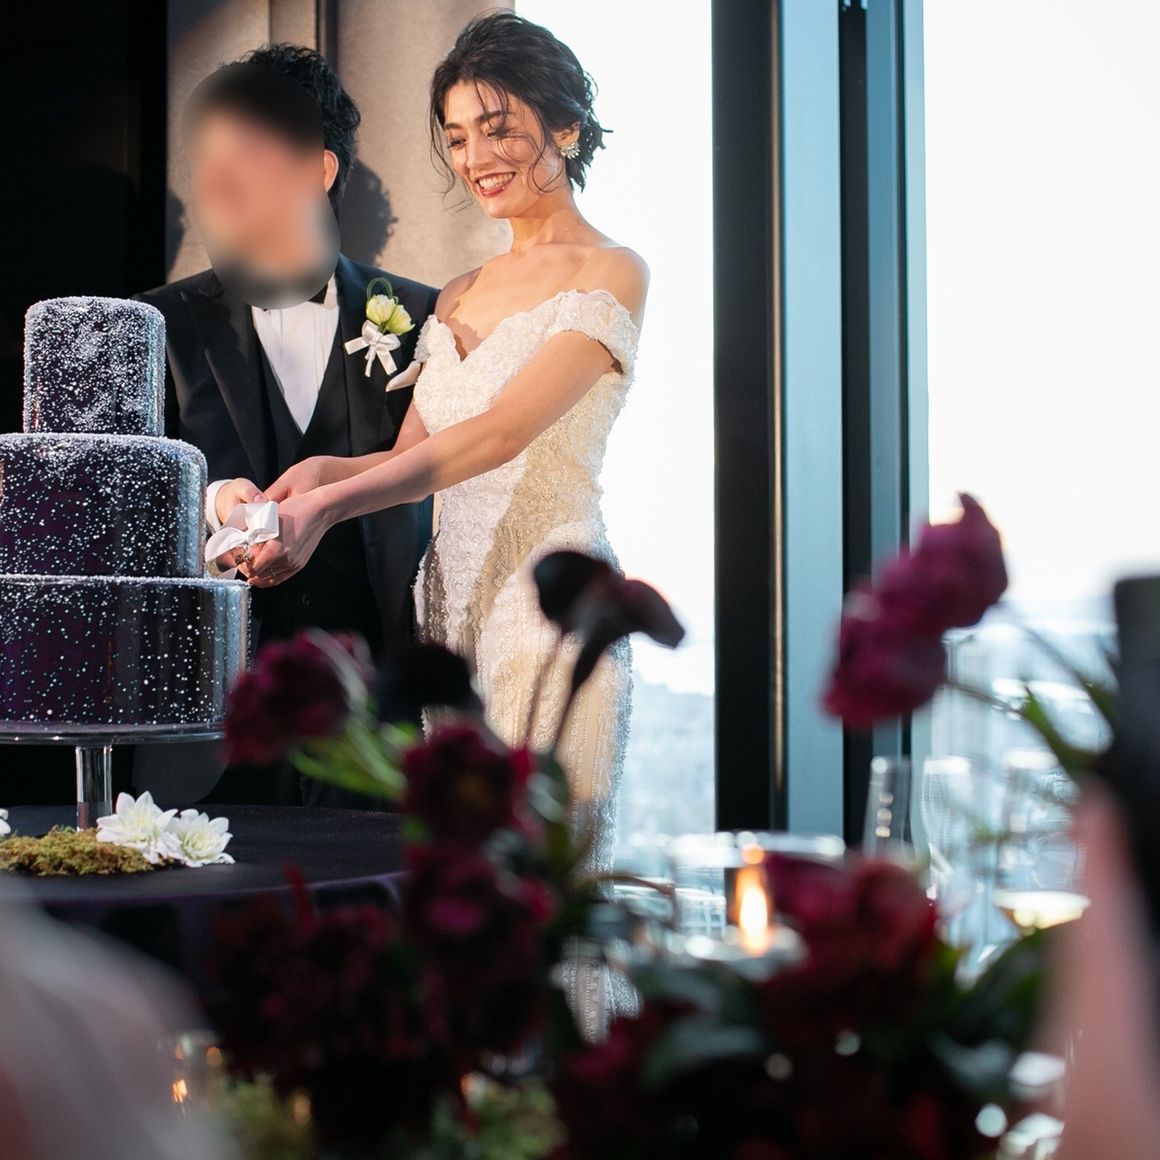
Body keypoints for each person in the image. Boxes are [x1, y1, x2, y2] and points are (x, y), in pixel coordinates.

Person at [246, 10, 648, 998]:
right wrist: (317, 478)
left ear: (565, 128)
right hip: (447, 617)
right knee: (461, 906)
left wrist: (334, 509)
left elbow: (499, 435)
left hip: (551, 618)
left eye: (498, 128)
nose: (476, 158)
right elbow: (410, 456)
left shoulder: (611, 270)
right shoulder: (460, 290)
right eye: (458, 137)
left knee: (538, 899)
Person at [138, 44, 436, 808]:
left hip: (381, 730)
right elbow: (122, 502)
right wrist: (214, 504)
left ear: (318, 169)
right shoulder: (155, 322)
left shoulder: (424, 315)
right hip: (207, 718)